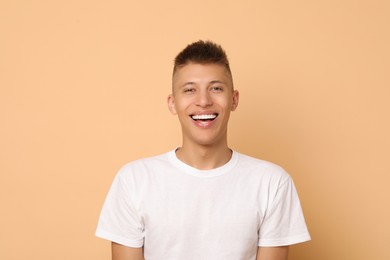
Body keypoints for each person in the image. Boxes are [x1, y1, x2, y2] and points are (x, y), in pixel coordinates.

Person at [96, 40, 311, 260]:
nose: (203, 101)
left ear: (234, 99)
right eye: (190, 90)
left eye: (216, 88)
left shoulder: (272, 183)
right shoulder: (134, 180)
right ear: (172, 103)